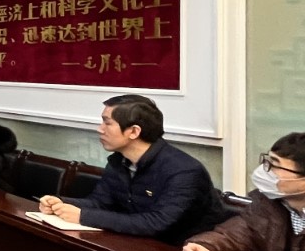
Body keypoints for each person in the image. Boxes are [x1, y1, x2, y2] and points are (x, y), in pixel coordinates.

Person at [37, 95, 228, 242]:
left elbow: (156, 223)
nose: (100, 129)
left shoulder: (184, 171)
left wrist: (82, 216)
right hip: (136, 245)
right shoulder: (119, 161)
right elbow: (101, 202)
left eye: (107, 123)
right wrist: (61, 203)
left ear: (134, 131)